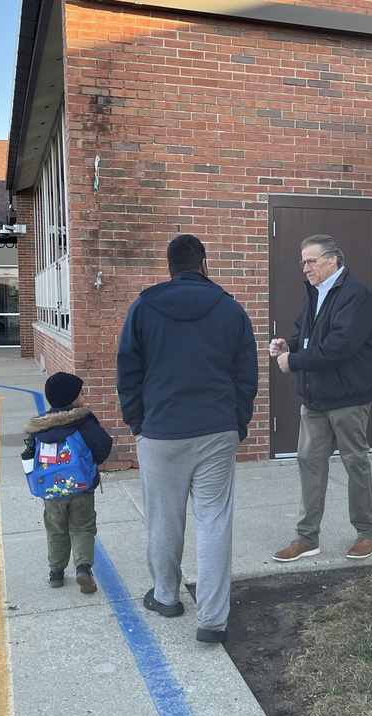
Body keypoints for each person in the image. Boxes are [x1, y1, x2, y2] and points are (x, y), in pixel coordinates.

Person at [116, 234, 258, 644]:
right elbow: (245, 377)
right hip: (216, 431)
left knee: (164, 518)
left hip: (161, 432)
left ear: (169, 266)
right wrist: (238, 425)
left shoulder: (143, 308)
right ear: (204, 264)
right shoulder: (231, 310)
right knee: (214, 522)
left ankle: (166, 597)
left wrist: (137, 424)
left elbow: (128, 373)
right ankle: (212, 620)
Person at [270, 233, 372, 562]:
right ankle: (306, 538)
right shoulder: (317, 293)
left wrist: (294, 362)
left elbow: (341, 346)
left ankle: (368, 533)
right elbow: (310, 337)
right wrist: (289, 345)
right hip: (316, 397)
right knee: (309, 464)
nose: (305, 267)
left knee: (355, 463)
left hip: (348, 396)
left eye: (311, 260)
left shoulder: (354, 295)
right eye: (303, 261)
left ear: (332, 259)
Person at [23, 372, 113, 592]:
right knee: (82, 527)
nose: (84, 396)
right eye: (81, 393)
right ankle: (83, 568)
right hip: (82, 488)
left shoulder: (39, 428)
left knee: (55, 529)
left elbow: (30, 455)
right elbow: (103, 446)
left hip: (51, 493)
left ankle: (56, 572)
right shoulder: (83, 421)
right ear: (72, 398)